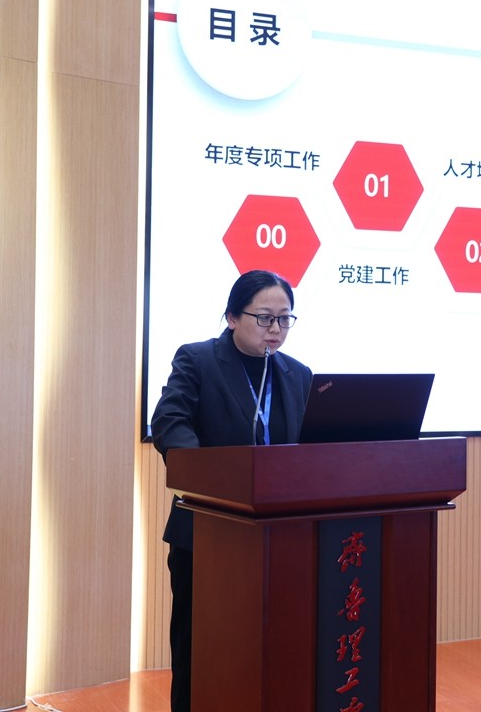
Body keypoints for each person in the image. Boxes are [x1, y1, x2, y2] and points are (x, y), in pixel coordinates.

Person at [150, 269, 313, 712]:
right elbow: (170, 423)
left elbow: (309, 447)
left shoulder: (298, 375)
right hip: (209, 531)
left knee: (274, 647)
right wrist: (211, 479)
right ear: (232, 317)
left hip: (281, 535)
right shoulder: (198, 360)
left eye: (284, 318)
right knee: (200, 647)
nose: (275, 329)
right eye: (264, 317)